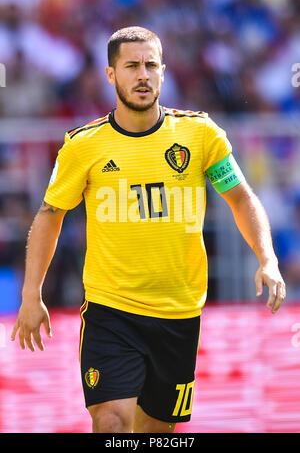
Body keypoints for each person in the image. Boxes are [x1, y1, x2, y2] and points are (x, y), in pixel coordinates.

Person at [11, 26, 286, 433]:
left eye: (151, 65)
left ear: (163, 72)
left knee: (155, 433)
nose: (142, 75)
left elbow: (242, 198)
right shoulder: (82, 145)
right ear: (110, 75)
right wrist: (31, 294)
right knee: (111, 421)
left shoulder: (200, 135)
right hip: (111, 310)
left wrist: (268, 258)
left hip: (179, 314)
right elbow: (50, 214)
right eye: (131, 66)